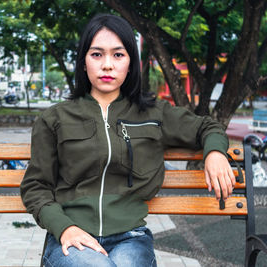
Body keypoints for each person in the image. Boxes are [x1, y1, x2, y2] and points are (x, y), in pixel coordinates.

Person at [20, 14, 235, 267]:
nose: (107, 65)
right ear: (83, 62)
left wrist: (215, 153)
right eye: (97, 54)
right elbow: (36, 186)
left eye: (118, 55)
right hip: (71, 236)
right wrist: (64, 228)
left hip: (130, 238)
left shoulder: (154, 114)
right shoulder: (54, 119)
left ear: (131, 63)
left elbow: (207, 127)